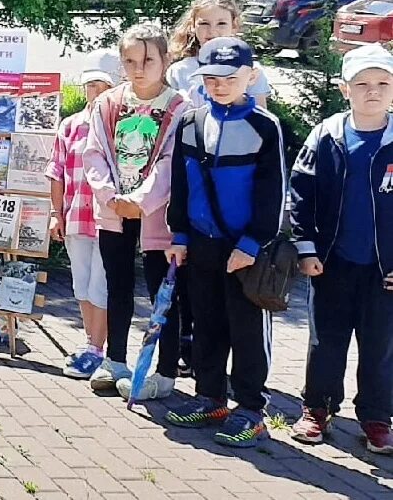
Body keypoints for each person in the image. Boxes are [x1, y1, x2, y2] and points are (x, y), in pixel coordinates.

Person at [165, 37, 287, 448]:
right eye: (211, 78)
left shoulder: (264, 127)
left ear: (250, 77)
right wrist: (179, 234)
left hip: (244, 249)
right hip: (201, 244)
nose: (219, 85)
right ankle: (210, 396)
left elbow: (273, 192)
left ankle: (251, 408)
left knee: (247, 328)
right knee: (205, 322)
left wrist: (252, 244)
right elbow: (180, 185)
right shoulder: (189, 121)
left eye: (230, 78)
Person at [287, 43, 393, 454]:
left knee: (381, 346)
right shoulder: (327, 136)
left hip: (383, 270)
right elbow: (301, 193)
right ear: (344, 89)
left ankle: (376, 418)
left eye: (383, 83)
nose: (373, 91)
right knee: (325, 342)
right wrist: (307, 249)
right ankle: (317, 408)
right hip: (331, 263)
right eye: (362, 83)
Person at [83, 23, 187, 398]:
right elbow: (93, 152)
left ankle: (164, 370)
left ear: (165, 60)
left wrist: (141, 200)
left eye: (147, 60)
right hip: (114, 211)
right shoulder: (108, 103)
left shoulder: (179, 109)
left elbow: (170, 162)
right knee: (118, 286)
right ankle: (115, 360)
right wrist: (111, 196)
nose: (138, 68)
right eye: (130, 61)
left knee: (164, 292)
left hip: (158, 216)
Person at [46, 51, 118, 378]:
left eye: (103, 84)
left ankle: (98, 349)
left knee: (101, 285)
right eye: (91, 84)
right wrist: (55, 213)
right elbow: (56, 172)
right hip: (75, 216)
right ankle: (91, 344)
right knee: (82, 284)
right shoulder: (70, 125)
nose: (96, 90)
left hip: (109, 221)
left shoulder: (122, 126)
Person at [167, 0, 271, 107]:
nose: (212, 31)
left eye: (221, 23)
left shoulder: (249, 70)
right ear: (192, 25)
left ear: (234, 25)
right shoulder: (179, 71)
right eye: (204, 24)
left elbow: (260, 118)